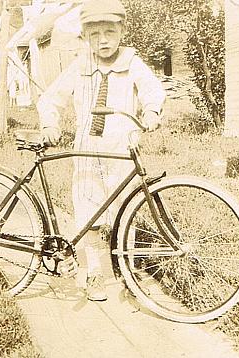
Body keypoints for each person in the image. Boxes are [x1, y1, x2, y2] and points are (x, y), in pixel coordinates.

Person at [37, 0, 166, 301]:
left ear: (122, 30)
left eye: (110, 31)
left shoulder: (133, 63)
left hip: (123, 147)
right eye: (94, 35)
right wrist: (49, 125)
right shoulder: (80, 66)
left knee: (126, 209)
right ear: (84, 36)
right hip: (87, 150)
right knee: (89, 209)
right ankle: (94, 271)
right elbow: (51, 98)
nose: (103, 40)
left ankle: (127, 271)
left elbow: (152, 90)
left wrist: (151, 112)